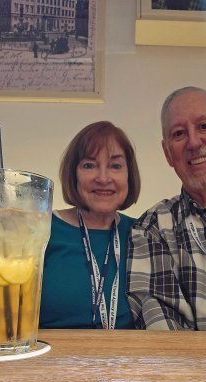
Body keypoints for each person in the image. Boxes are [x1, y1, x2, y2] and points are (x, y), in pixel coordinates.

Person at [126, 86, 206, 331]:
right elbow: (161, 327)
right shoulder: (153, 227)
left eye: (205, 126)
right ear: (167, 153)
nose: (194, 142)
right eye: (179, 134)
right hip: (198, 370)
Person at [40, 121, 141, 329]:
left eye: (115, 166)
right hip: (50, 358)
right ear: (73, 173)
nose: (103, 178)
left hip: (127, 359)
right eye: (89, 165)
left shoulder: (143, 233)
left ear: (129, 175)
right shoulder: (41, 228)